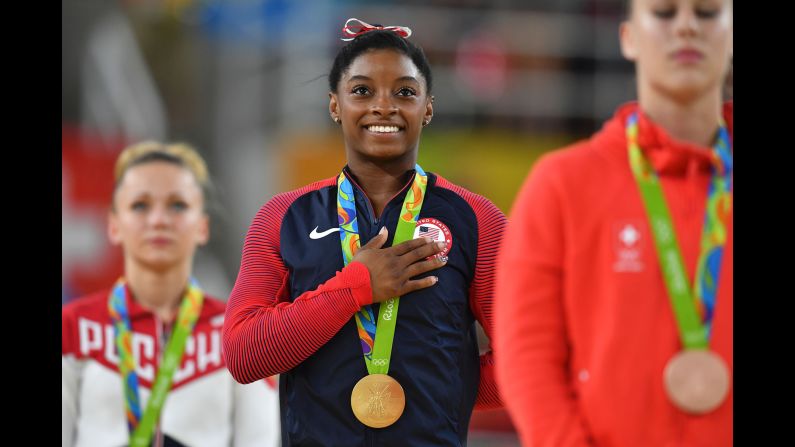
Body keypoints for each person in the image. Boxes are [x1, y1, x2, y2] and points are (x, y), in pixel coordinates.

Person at [222, 18, 504, 446]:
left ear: (428, 107)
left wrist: (445, 387)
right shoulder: (284, 218)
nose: (384, 106)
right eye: (362, 91)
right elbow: (243, 354)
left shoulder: (477, 219)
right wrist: (356, 287)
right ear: (335, 105)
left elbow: (532, 357)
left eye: (405, 92)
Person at [494, 0, 733, 445]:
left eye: (706, 13)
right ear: (629, 38)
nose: (686, 27)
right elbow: (528, 356)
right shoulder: (562, 184)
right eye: (664, 13)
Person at [62, 141, 280, 447]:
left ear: (203, 226)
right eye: (140, 205)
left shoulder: (243, 333)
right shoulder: (72, 326)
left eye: (177, 205)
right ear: (113, 225)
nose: (159, 220)